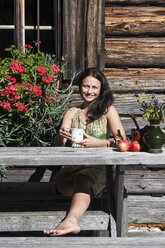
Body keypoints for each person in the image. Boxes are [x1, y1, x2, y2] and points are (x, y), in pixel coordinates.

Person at [43, 68, 126, 236]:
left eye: (94, 87)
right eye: (86, 86)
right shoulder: (72, 112)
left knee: (83, 179)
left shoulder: (107, 111)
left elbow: (122, 141)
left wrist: (100, 142)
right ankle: (72, 218)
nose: (89, 91)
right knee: (64, 186)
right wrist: (61, 136)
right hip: (73, 167)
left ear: (101, 90)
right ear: (79, 87)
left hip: (100, 167)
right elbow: (58, 146)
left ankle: (72, 220)